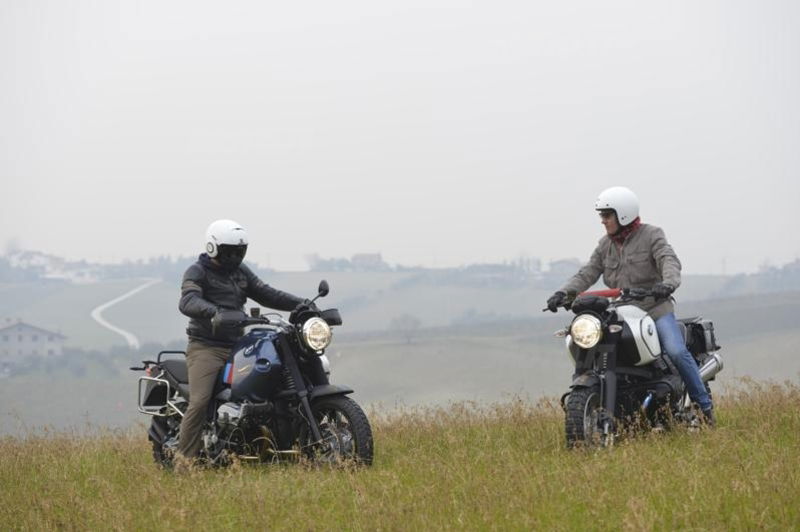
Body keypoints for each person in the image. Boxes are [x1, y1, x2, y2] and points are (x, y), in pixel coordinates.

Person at [545, 186, 715, 425]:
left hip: (655, 309)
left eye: (607, 215)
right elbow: (587, 272)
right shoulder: (605, 245)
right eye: (601, 216)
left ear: (622, 214)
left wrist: (668, 284)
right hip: (622, 311)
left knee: (676, 351)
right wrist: (563, 292)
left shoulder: (652, 235)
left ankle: (705, 408)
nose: (603, 221)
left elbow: (668, 260)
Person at [176, 219, 306, 464]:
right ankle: (184, 463)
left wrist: (302, 304)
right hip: (207, 347)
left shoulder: (240, 272)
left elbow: (267, 293)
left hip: (239, 345)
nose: (236, 256)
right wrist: (214, 312)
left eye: (240, 250)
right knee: (200, 401)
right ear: (214, 248)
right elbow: (187, 301)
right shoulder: (197, 271)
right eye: (230, 251)